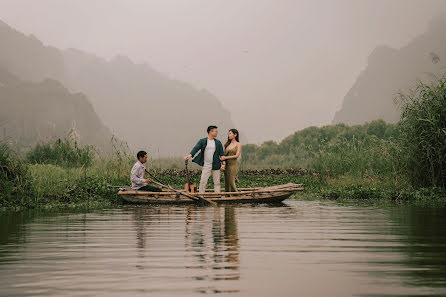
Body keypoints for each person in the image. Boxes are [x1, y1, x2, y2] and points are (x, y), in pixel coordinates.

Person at [184, 125, 226, 193]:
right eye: (215, 131)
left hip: (216, 165)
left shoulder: (218, 143)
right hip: (206, 164)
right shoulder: (202, 141)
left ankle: (217, 195)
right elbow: (196, 148)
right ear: (210, 132)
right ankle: (201, 194)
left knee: (217, 182)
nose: (217, 133)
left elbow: (222, 154)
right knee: (203, 181)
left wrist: (223, 164)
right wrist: (190, 155)